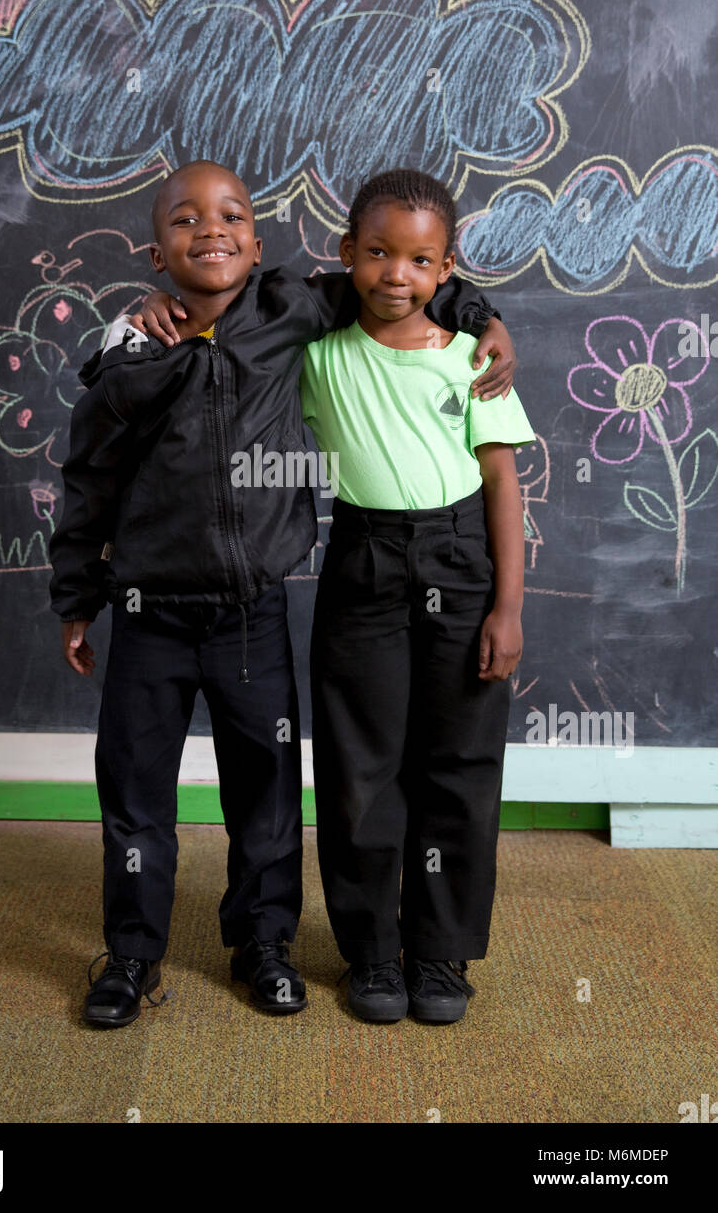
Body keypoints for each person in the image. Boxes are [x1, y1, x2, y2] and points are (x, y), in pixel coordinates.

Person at [50, 160, 516, 1028]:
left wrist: (483, 314)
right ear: (157, 252)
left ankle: (263, 944)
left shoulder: (291, 309)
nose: (211, 229)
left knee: (265, 797)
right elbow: (88, 480)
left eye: (231, 214)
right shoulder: (134, 349)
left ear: (260, 246)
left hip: (252, 612)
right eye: (186, 220)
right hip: (151, 616)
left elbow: (401, 282)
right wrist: (78, 596)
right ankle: (130, 955)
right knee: (135, 796)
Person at [299, 168, 535, 1024]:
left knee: (460, 762)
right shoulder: (316, 353)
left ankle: (440, 953)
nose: (396, 274)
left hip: (461, 558)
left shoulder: (476, 360)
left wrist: (507, 609)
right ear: (346, 254)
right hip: (362, 558)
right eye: (378, 254)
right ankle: (371, 952)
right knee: (362, 766)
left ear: (446, 271)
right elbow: (241, 315)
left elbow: (502, 484)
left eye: (419, 260)